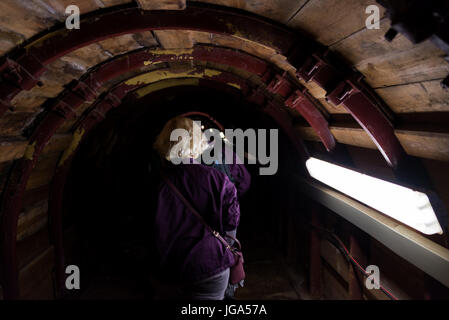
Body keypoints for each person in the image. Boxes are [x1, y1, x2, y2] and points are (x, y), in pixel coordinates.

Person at [150, 116, 241, 300]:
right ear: (198, 141)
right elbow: (232, 221)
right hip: (210, 263)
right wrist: (225, 247)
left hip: (168, 267)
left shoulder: (154, 183)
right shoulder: (218, 180)